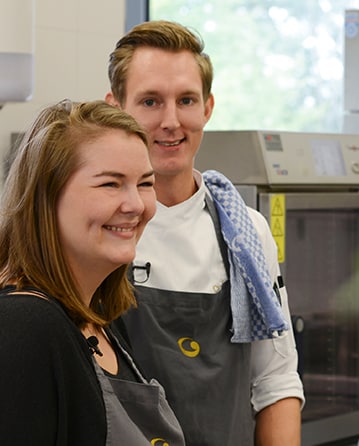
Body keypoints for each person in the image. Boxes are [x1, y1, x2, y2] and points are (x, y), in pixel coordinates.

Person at [105, 21, 304, 446]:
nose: (171, 121)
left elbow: (276, 381)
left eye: (186, 100)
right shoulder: (99, 230)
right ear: (115, 108)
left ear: (208, 108)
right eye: (151, 101)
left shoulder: (245, 233)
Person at [0, 99, 185, 445]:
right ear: (47, 196)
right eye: (110, 184)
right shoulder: (23, 326)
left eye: (145, 184)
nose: (136, 205)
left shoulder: (99, 317)